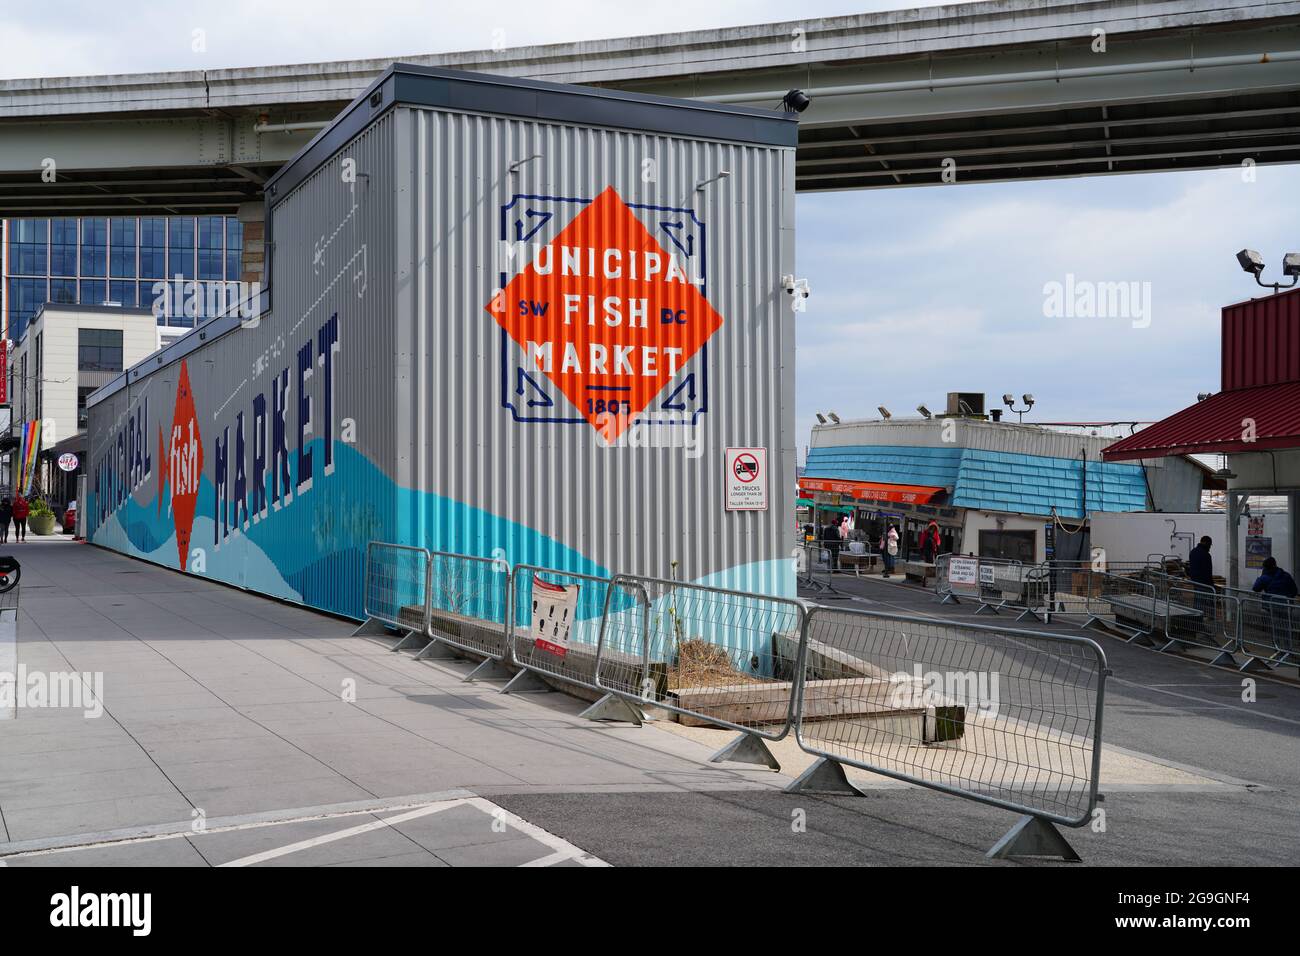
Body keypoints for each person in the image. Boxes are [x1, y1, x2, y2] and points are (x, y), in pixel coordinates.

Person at [1252, 557, 1298, 652]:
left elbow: (1256, 588)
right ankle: (1287, 648)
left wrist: (1260, 576)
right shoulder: (1286, 575)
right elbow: (1294, 590)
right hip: (1287, 606)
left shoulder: (1265, 578)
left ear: (1265, 568)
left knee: (1276, 628)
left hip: (1273, 606)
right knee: (1286, 627)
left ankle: (1277, 649)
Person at [1186, 535, 1215, 618]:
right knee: (1207, 599)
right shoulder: (1206, 555)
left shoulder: (1193, 552)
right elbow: (1208, 571)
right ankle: (1204, 617)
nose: (1210, 547)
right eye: (1209, 545)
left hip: (1195, 580)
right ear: (1206, 543)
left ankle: (1196, 616)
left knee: (1198, 599)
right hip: (1205, 582)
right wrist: (1211, 583)